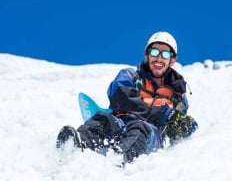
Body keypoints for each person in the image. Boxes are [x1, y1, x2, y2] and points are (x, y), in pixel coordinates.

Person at [56, 31, 198, 164]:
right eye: (154, 52)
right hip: (121, 122)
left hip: (151, 134)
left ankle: (117, 161)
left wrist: (185, 125)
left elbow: (180, 127)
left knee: (139, 127)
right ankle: (77, 147)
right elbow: (120, 96)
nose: (159, 58)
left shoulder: (178, 95)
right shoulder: (130, 76)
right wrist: (161, 113)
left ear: (172, 60)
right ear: (147, 55)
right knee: (103, 119)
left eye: (165, 54)